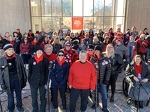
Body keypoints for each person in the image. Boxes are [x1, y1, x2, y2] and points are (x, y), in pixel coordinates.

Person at [0, 44, 27, 112]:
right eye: (9, 49)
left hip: (17, 79)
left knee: (18, 94)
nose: (11, 51)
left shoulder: (18, 57)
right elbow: (1, 73)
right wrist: (2, 83)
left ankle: (19, 106)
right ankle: (11, 108)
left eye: (12, 49)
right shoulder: (2, 60)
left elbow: (22, 69)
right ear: (6, 51)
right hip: (8, 81)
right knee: (10, 95)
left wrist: (24, 78)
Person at [28, 46, 49, 112]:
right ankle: (35, 109)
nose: (39, 52)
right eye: (38, 51)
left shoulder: (45, 60)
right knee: (34, 98)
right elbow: (30, 71)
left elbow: (47, 72)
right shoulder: (32, 60)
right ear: (35, 52)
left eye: (41, 51)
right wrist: (30, 80)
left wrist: (46, 82)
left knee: (43, 97)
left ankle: (43, 109)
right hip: (33, 82)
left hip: (42, 82)